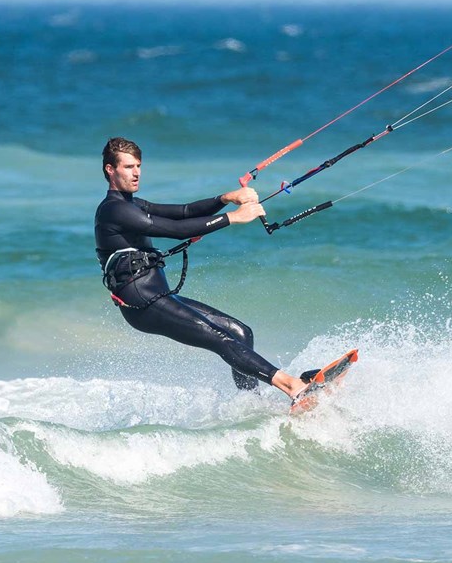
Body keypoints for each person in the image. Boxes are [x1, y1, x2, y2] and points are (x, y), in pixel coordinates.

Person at [94, 137, 316, 405]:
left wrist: (225, 199)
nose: (137, 172)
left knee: (240, 333)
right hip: (142, 303)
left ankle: (251, 404)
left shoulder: (134, 204)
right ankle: (293, 386)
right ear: (110, 169)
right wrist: (232, 218)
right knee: (221, 339)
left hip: (158, 296)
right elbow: (175, 231)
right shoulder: (113, 210)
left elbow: (184, 212)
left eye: (138, 166)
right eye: (129, 167)